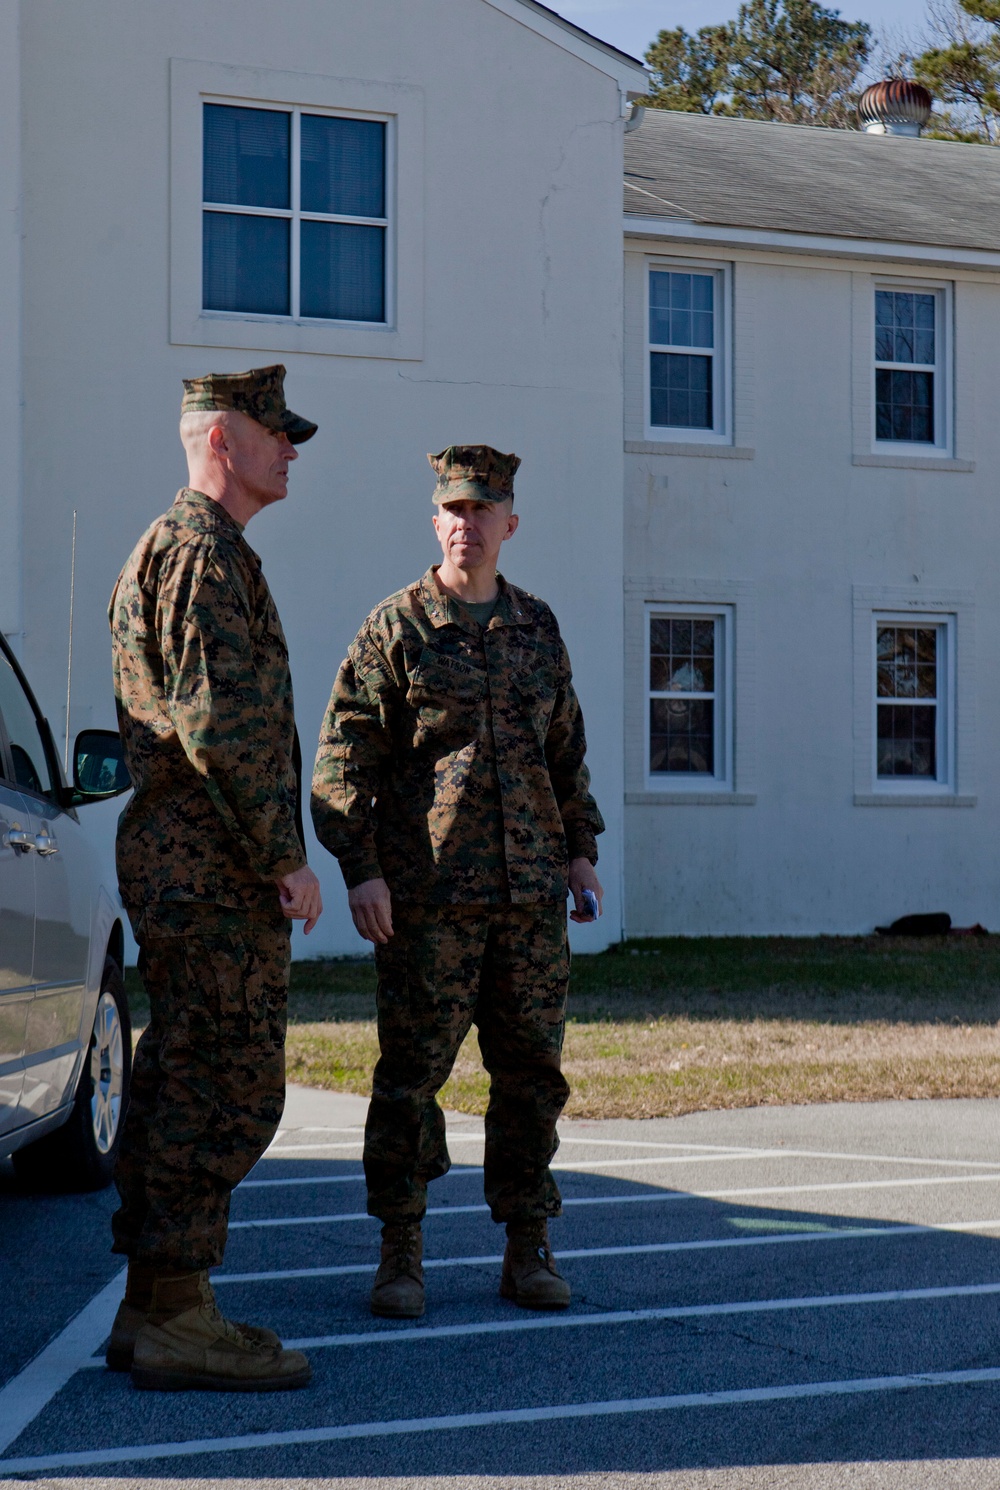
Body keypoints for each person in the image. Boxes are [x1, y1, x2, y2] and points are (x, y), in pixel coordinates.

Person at [311, 444, 604, 1321]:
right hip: (427, 902)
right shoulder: (394, 629)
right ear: (434, 521)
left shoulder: (537, 628)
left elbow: (567, 753)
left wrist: (580, 852)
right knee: (409, 1080)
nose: (466, 524)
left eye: (483, 510)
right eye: (454, 510)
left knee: (532, 1078)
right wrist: (360, 871)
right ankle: (401, 1252)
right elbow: (341, 759)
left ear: (510, 524)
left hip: (528, 903)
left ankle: (528, 1245)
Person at [107, 365, 322, 1393]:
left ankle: (155, 1298)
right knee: (222, 1080)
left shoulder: (196, 549)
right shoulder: (199, 553)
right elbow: (221, 727)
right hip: (213, 870)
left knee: (183, 1069)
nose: (293, 449)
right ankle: (180, 1311)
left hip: (190, 868)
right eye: (276, 432)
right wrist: (288, 856)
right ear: (222, 439)